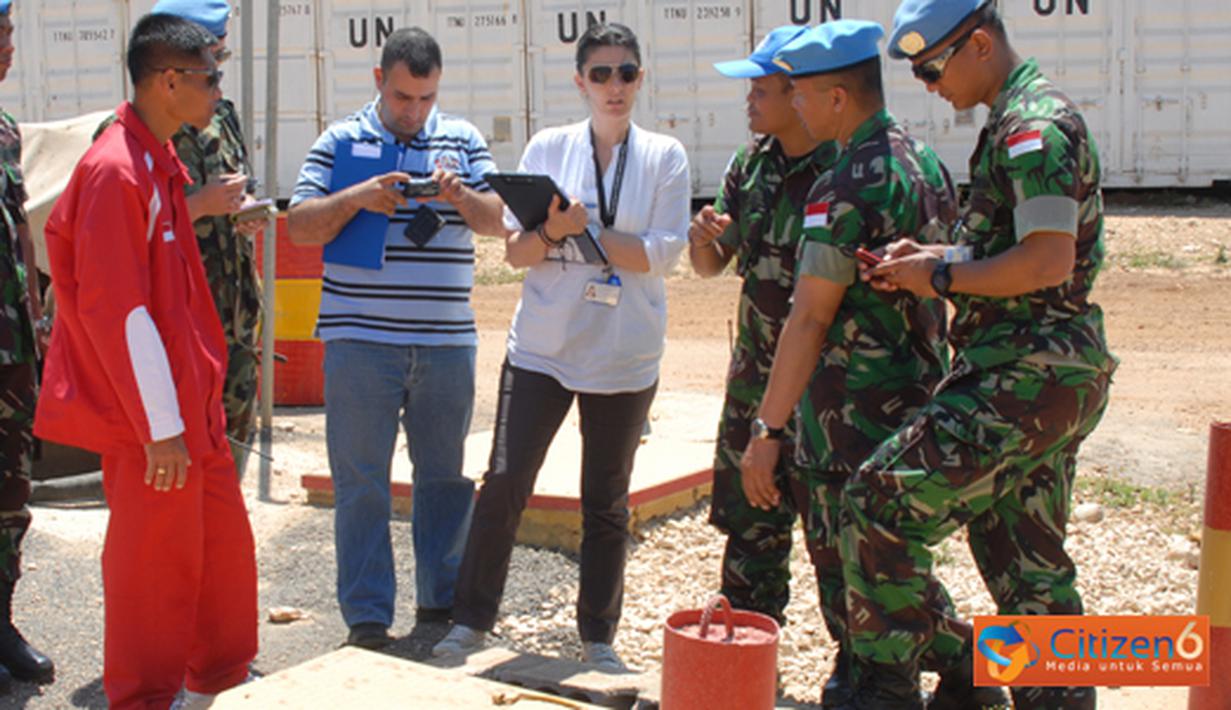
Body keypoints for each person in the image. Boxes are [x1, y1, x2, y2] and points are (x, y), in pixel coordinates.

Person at [833, 2, 1116, 708]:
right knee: (1028, 572)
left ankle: (889, 685)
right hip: (1044, 374)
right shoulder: (1014, 121)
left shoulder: (1031, 129)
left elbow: (1045, 261)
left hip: (1023, 371)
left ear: (979, 44)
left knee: (876, 503)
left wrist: (940, 276)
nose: (928, 86)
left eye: (931, 68)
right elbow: (1010, 249)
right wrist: (931, 256)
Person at [743, 21, 1003, 709]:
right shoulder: (926, 165)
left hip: (845, 412)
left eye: (798, 91)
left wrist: (766, 432)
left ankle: (900, 682)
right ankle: (962, 672)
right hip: (913, 396)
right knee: (889, 567)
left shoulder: (839, 187)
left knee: (854, 579)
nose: (791, 104)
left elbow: (808, 316)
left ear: (835, 97)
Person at [433, 22, 690, 671]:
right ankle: (470, 623)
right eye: (600, 74)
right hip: (541, 352)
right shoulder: (549, 147)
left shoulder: (665, 156)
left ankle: (597, 639)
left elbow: (662, 255)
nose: (613, 86)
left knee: (605, 500)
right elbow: (517, 252)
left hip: (624, 359)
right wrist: (553, 229)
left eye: (625, 72)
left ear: (640, 78)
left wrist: (591, 229)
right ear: (580, 81)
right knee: (504, 482)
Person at [34, 14, 257, 709]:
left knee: (219, 562)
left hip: (195, 411)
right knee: (154, 575)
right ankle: (145, 698)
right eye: (209, 76)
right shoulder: (113, 170)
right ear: (168, 82)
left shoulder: (158, 160)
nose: (219, 91)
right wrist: (160, 426)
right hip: (155, 424)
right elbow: (116, 312)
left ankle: (214, 682)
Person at [287, 26, 505, 649]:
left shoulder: (462, 140)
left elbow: (501, 224)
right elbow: (299, 227)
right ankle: (367, 619)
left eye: (426, 99)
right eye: (404, 97)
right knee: (360, 482)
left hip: (445, 344)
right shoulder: (339, 140)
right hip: (359, 342)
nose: (415, 112)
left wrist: (459, 193)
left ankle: (440, 606)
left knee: (445, 479)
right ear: (379, 80)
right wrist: (359, 197)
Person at [687, 25, 838, 627]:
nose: (748, 101)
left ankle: (871, 674)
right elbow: (712, 265)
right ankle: (748, 661)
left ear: (796, 92)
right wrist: (703, 241)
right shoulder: (750, 167)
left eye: (759, 89)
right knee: (752, 539)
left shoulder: (844, 169)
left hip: (828, 393)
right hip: (756, 383)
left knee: (844, 549)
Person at [95, 0, 265, 477]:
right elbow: (127, 246)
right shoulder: (125, 144)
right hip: (180, 327)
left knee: (227, 465)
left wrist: (242, 211)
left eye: (220, 63)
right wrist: (201, 205)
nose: (217, 79)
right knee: (179, 476)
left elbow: (236, 183)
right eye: (209, 67)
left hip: (233, 317)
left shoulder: (222, 114)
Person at [0, 0, 55, 693]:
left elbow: (21, 232)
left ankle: (1, 622)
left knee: (11, 494)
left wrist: (39, 320)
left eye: (9, 32)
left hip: (11, 348)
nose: (7, 46)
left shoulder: (6, 132)